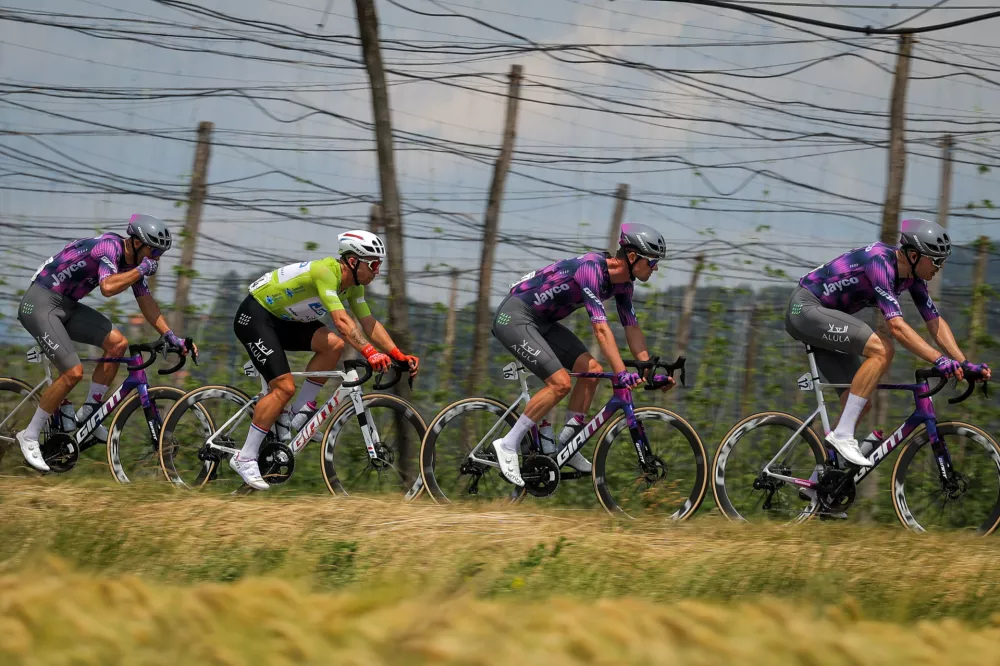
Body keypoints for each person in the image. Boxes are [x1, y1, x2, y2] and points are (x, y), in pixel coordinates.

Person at [785, 218, 991, 467]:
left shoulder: (913, 278)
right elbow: (896, 326)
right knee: (882, 348)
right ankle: (841, 435)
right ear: (914, 255)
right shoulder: (880, 261)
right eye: (936, 260)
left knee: (859, 402)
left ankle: (821, 484)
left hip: (822, 320)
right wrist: (939, 360)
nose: (940, 266)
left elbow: (934, 322)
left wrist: (963, 363)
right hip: (805, 309)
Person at [231, 230, 420, 489]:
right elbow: (343, 322)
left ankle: (298, 414)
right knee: (284, 387)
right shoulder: (326, 272)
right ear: (353, 262)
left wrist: (396, 354)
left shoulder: (354, 286)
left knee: (333, 346)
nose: (378, 271)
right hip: (256, 317)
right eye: (374, 264)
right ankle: (245, 457)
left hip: (283, 321)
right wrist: (370, 352)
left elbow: (368, 322)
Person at [489, 222, 674, 486]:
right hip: (515, 317)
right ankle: (508, 444)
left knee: (593, 373)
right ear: (633, 257)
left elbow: (631, 327)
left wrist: (648, 369)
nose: (655, 268)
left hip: (543, 324)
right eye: (653, 262)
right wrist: (622, 374)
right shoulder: (590, 268)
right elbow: (601, 329)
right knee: (561, 383)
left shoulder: (623, 286)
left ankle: (567, 446)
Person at [16, 214, 196, 472]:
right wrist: (141, 270)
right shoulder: (108, 247)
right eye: (154, 250)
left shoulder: (133, 263)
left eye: (161, 252)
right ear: (136, 243)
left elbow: (146, 302)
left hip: (66, 306)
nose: (157, 257)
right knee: (73, 372)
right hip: (40, 304)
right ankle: (29, 435)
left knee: (117, 344)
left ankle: (88, 415)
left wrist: (171, 335)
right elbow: (108, 288)